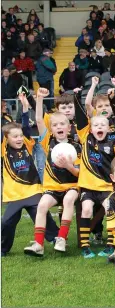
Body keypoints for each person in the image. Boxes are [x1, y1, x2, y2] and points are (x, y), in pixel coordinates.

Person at [74, 88, 115, 259]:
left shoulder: (114, 143)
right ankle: (85, 247)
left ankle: (111, 245)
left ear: (108, 128)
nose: (99, 127)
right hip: (87, 186)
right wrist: (76, 96)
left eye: (102, 125)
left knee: (110, 209)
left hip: (107, 187)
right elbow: (81, 116)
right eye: (95, 125)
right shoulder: (85, 137)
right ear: (91, 128)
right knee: (86, 210)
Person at [23, 88, 81, 257]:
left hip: (71, 186)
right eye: (55, 125)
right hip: (53, 187)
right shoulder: (47, 141)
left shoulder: (76, 146)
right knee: (42, 205)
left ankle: (61, 239)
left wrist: (68, 165)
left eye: (62, 124)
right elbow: (39, 120)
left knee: (69, 199)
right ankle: (39, 244)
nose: (58, 127)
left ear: (69, 127)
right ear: (51, 129)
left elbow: (78, 173)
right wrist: (40, 99)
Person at [1, 93, 59, 257]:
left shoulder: (27, 143)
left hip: (33, 190)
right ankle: (3, 249)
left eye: (20, 136)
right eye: (15, 137)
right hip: (14, 194)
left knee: (42, 215)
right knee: (6, 222)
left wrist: (25, 107)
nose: (19, 138)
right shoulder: (3, 149)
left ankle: (55, 238)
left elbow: (26, 127)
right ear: (6, 138)